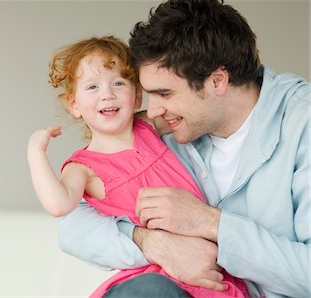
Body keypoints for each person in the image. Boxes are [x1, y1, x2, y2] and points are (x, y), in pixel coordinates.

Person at [58, 1, 310, 298]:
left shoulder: (301, 124)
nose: (152, 111)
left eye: (164, 94)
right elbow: (72, 229)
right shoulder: (169, 129)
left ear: (217, 81)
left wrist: (211, 224)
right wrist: (151, 243)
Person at [27, 35, 249, 297]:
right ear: (74, 105)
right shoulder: (84, 168)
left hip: (207, 261)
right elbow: (59, 205)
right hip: (157, 270)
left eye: (119, 83)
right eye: (92, 87)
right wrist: (35, 152)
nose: (107, 94)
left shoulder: (149, 125)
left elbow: (195, 112)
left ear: (137, 97)